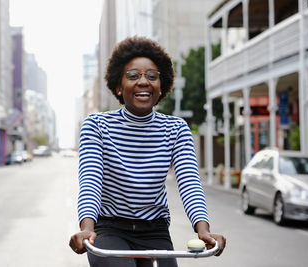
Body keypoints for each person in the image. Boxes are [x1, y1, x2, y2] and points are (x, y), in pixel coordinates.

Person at [69, 36, 226, 266]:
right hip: (110, 229)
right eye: (133, 76)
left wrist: (203, 229)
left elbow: (189, 181)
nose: (144, 82)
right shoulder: (97, 125)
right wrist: (86, 229)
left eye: (152, 76)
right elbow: (90, 180)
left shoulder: (176, 129)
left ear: (161, 86)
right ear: (118, 86)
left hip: (155, 230)